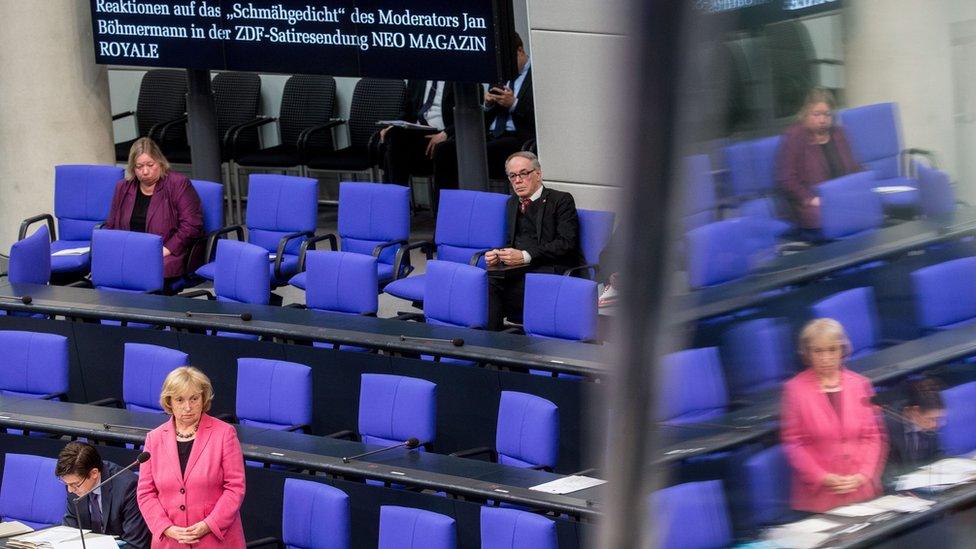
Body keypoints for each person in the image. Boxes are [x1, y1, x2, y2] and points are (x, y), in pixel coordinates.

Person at [781, 318, 887, 513]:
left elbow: (873, 436)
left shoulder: (860, 384)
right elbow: (793, 444)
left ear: (842, 351)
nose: (826, 357)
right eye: (818, 351)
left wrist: (863, 475)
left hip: (861, 491)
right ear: (807, 354)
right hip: (819, 497)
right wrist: (823, 477)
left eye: (832, 349)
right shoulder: (794, 390)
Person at [137, 366, 245, 547]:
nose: (188, 407)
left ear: (203, 399)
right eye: (180, 400)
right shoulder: (154, 439)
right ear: (169, 402)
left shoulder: (224, 434)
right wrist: (166, 527)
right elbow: (145, 493)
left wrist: (208, 525)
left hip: (215, 540)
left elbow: (235, 488)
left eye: (194, 399)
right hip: (171, 541)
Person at [486, 151, 582, 329]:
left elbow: (565, 243)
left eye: (523, 173)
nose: (518, 180)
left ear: (538, 174)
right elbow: (512, 241)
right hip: (520, 268)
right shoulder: (512, 202)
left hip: (551, 267)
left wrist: (525, 255)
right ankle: (492, 343)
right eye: (512, 176)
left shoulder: (561, 200)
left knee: (499, 290)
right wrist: (499, 254)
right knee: (484, 282)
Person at [433, 32, 536, 190]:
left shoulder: (537, 75)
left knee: (481, 152)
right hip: (491, 135)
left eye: (507, 61)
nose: (503, 66)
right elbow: (486, 118)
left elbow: (543, 118)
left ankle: (478, 203)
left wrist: (514, 103)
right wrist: (487, 105)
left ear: (520, 51)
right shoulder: (499, 75)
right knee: (445, 150)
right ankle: (448, 206)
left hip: (518, 137)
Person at [105, 137, 204, 285]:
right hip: (132, 251)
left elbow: (192, 225)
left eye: (150, 165)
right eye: (139, 167)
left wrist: (165, 249)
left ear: (160, 162)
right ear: (133, 168)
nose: (145, 171)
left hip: (168, 251)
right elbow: (111, 225)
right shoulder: (123, 188)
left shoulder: (178, 184)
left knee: (141, 274)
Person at [775, 88, 861, 240]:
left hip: (842, 199)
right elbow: (786, 179)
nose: (822, 120)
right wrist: (810, 199)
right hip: (813, 204)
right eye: (817, 115)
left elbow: (853, 167)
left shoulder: (839, 133)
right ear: (806, 114)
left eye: (827, 115)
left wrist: (862, 185)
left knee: (867, 211)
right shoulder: (795, 136)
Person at [57, 441, 151, 548]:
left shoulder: (128, 487)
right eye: (66, 484)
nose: (70, 490)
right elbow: (70, 530)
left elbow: (135, 544)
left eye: (75, 484)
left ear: (94, 473)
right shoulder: (74, 484)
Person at [377, 80, 456, 186]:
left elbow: (468, 117)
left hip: (444, 134)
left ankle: (441, 202)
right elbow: (408, 110)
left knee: (442, 149)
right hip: (419, 132)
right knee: (394, 136)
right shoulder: (418, 77)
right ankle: (398, 197)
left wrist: (446, 133)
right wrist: (393, 125)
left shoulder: (458, 78)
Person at [881, 378, 946, 488]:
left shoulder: (930, 427)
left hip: (928, 485)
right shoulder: (888, 428)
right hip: (901, 491)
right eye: (932, 419)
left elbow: (937, 455)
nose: (937, 424)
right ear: (915, 412)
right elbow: (888, 476)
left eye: (939, 419)